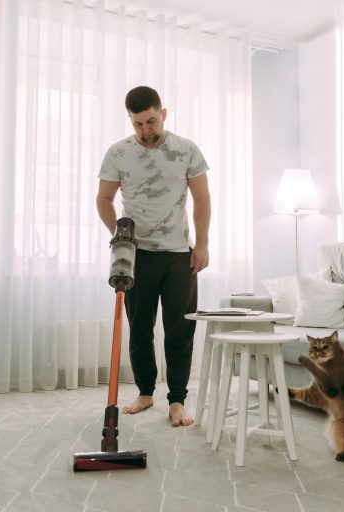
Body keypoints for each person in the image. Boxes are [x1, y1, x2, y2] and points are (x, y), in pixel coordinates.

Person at [96, 86, 211, 427]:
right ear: (130, 121)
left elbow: (202, 199)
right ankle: (146, 393)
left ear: (164, 113)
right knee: (140, 329)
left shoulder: (187, 150)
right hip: (137, 256)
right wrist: (119, 235)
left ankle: (177, 400)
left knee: (179, 331)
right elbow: (104, 199)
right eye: (138, 124)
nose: (146, 130)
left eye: (151, 120)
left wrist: (201, 245)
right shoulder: (118, 153)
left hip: (179, 255)